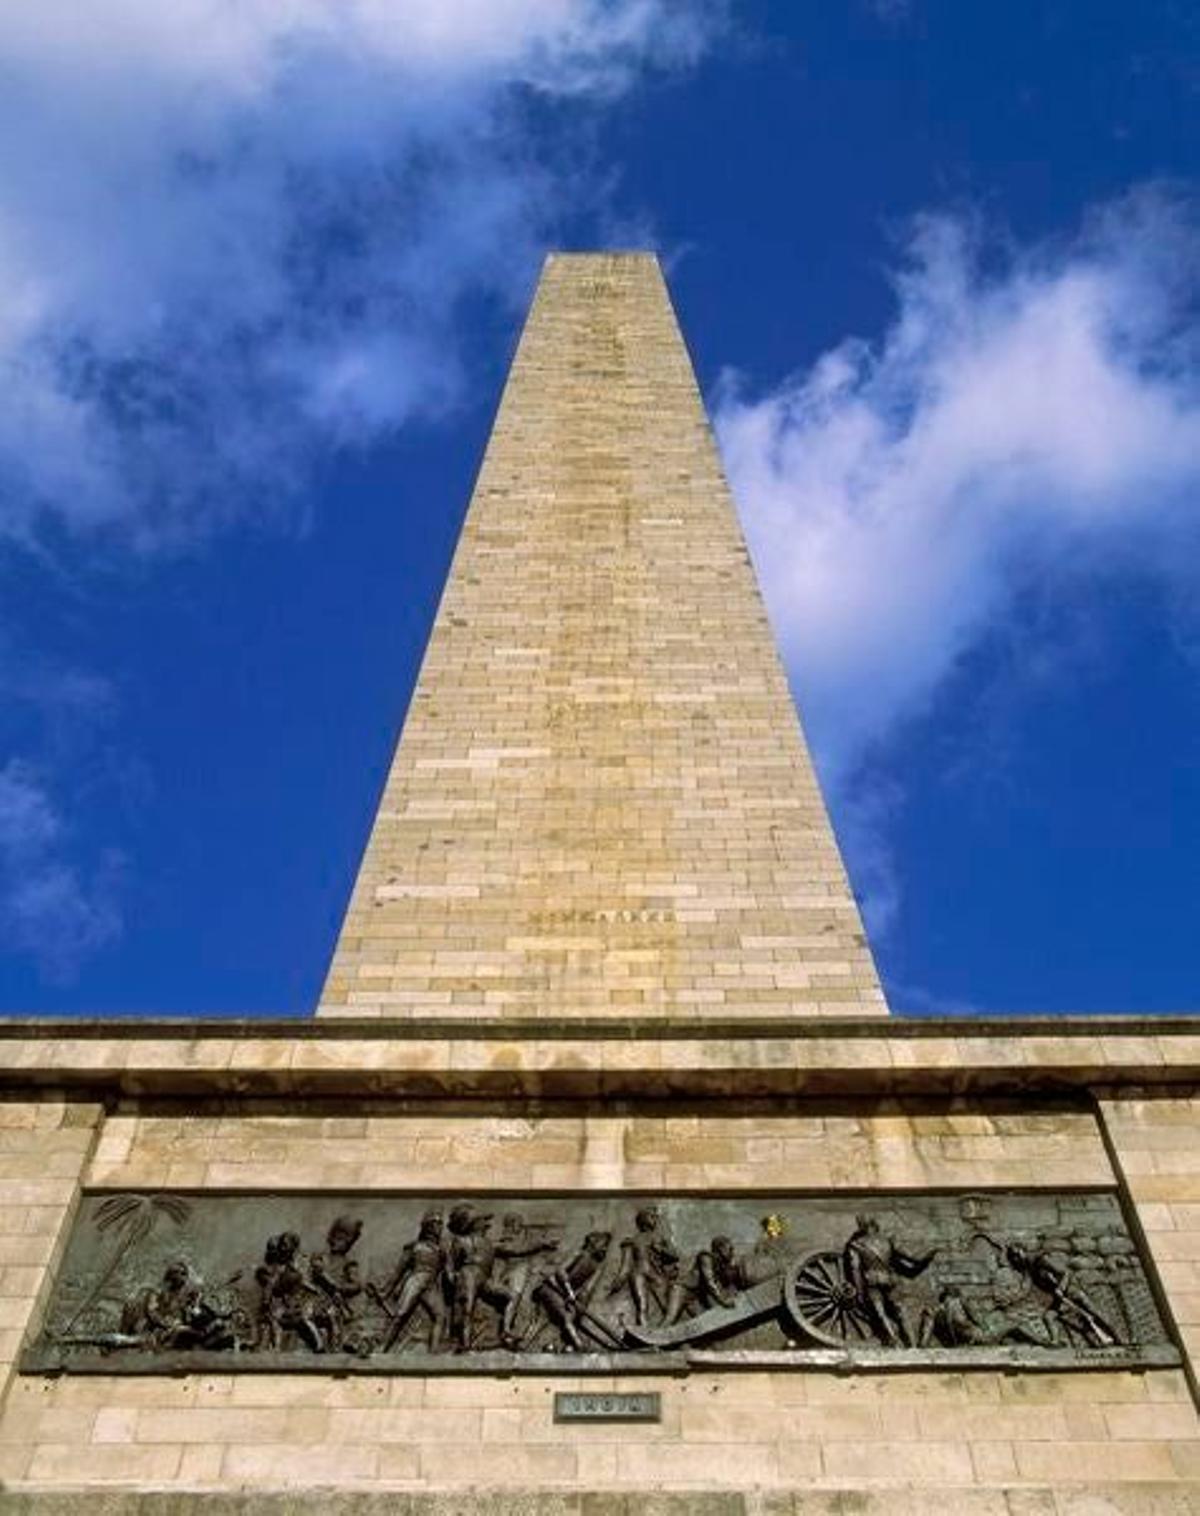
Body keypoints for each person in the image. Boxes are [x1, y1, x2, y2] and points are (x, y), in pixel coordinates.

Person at [842, 1214, 936, 1347]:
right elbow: (910, 1258)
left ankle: (895, 1341)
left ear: (861, 1226)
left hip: (872, 1281)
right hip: (889, 1279)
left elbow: (855, 1268)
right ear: (874, 1224)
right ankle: (912, 1343)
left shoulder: (856, 1245)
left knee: (881, 1314)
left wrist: (858, 1292)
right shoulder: (887, 1240)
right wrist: (927, 1257)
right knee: (900, 1311)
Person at [607, 1206, 681, 1327]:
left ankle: (670, 1329)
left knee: (666, 1304)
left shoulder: (660, 1238)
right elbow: (625, 1267)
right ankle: (644, 1331)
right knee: (642, 1306)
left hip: (656, 1273)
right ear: (643, 1219)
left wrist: (660, 1249)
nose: (655, 1219)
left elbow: (675, 1256)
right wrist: (616, 1283)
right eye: (652, 1216)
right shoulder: (631, 1241)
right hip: (637, 1273)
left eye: (656, 1217)